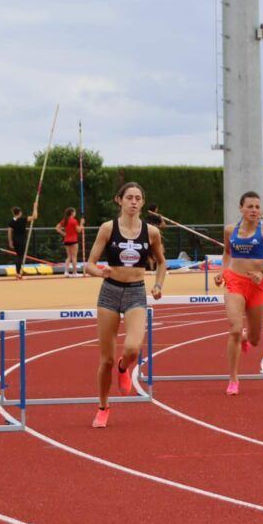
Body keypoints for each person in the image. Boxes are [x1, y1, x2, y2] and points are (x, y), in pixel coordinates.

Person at [85, 182, 167, 426]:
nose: (133, 201)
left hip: (135, 292)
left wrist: (159, 285)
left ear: (142, 202)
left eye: (138, 198)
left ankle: (124, 368)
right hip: (110, 292)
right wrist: (101, 272)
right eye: (129, 197)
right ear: (119, 200)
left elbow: (162, 263)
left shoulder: (151, 232)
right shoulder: (107, 228)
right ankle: (103, 406)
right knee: (105, 359)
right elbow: (88, 264)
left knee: (132, 348)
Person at [212, 191, 263, 396]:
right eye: (250, 206)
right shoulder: (230, 230)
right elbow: (227, 253)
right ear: (241, 209)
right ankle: (233, 379)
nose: (254, 210)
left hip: (257, 285)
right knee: (234, 328)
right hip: (235, 282)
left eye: (257, 207)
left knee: (254, 339)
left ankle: (245, 338)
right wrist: (223, 272)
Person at [7, 205, 37, 280]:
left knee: (18, 256)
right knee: (20, 256)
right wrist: (35, 207)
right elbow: (34, 217)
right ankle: (18, 273)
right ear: (20, 212)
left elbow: (9, 232)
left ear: (13, 213)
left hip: (15, 240)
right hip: (21, 240)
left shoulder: (11, 222)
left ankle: (19, 272)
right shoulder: (23, 219)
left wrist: (10, 241)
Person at [55, 207, 84, 277]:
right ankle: (75, 273)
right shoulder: (74, 221)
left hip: (67, 240)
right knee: (74, 257)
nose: (75, 213)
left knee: (68, 256)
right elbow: (79, 230)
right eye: (74, 212)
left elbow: (57, 228)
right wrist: (82, 224)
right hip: (73, 240)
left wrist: (63, 234)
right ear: (72, 213)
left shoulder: (65, 220)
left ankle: (66, 272)